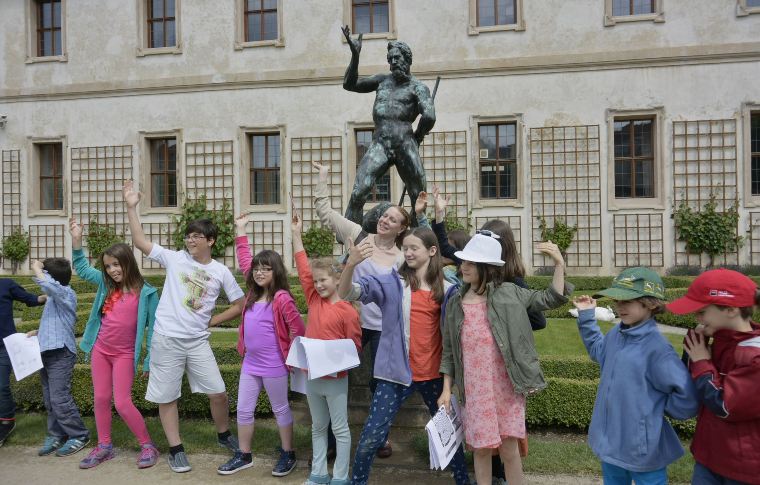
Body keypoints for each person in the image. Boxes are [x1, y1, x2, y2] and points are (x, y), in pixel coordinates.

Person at [123, 180, 246, 473]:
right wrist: (131, 208)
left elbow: (240, 305)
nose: (190, 241)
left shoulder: (220, 271)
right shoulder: (175, 258)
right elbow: (140, 242)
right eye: (188, 236)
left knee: (218, 393)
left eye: (196, 237)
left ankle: (224, 435)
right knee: (167, 396)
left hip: (197, 341)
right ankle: (176, 449)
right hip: (166, 339)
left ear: (211, 240)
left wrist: (211, 321)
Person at [339, 226, 471, 485]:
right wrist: (351, 265)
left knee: (448, 437)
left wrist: (447, 384)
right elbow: (347, 292)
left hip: (434, 377)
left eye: (414, 248)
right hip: (395, 376)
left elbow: (452, 342)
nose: (407, 253)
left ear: (432, 251)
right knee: (370, 437)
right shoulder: (391, 282)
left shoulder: (447, 290)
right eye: (405, 248)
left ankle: (464, 481)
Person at [438, 235, 572, 485]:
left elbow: (550, 298)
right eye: (463, 262)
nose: (463, 267)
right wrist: (447, 390)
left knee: (510, 450)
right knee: (480, 449)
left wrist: (559, 265)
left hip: (507, 388)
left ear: (487, 268)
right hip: (475, 391)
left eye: (470, 263)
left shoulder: (511, 293)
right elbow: (449, 351)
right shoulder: (457, 302)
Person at [313, 159, 408, 457]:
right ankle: (329, 442)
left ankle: (380, 437)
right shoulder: (358, 235)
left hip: (384, 329)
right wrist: (324, 176)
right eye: (384, 215)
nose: (385, 220)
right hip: (351, 319)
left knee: (380, 383)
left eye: (393, 219)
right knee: (334, 374)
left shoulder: (403, 257)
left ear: (402, 228)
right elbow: (326, 214)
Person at [572, 267, 700, 485]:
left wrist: (654, 411)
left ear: (651, 303)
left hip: (642, 449)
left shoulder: (658, 349)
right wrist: (586, 316)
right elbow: (598, 351)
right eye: (616, 301)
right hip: (611, 442)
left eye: (627, 301)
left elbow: (687, 399)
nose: (619, 306)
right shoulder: (618, 332)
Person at [217, 214, 306, 477]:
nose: (259, 272)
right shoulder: (253, 296)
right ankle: (244, 454)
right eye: (257, 269)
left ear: (275, 271)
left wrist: (289, 353)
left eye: (265, 269)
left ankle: (288, 454)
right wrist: (241, 230)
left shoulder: (281, 298)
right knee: (244, 409)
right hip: (251, 363)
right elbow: (245, 260)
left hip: (274, 364)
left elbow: (298, 329)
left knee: (280, 409)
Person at [68, 217, 160, 469]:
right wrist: (77, 239)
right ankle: (105, 446)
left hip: (124, 355)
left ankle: (147, 445)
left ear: (128, 262)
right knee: (100, 398)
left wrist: (148, 361)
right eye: (107, 266)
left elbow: (155, 331)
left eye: (116, 265)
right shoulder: (106, 284)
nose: (111, 271)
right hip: (101, 350)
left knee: (121, 402)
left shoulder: (147, 292)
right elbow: (83, 268)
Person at [667, 268, 760, 485]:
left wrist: (702, 362)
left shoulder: (754, 354)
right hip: (710, 458)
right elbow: (692, 384)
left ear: (730, 310)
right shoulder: (718, 343)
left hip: (743, 468)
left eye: (701, 310)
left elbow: (725, 405)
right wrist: (695, 350)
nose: (696, 316)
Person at [291, 211, 362, 485]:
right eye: (317, 281)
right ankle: (319, 473)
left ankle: (341, 477)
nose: (319, 284)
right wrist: (296, 233)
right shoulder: (313, 300)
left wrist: (335, 355)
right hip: (313, 377)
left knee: (341, 429)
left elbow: (354, 346)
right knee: (318, 427)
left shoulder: (347, 310)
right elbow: (302, 269)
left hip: (335, 379)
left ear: (337, 279)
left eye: (325, 280)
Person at [340, 26, 436, 227]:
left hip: (405, 144)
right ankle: (354, 244)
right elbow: (349, 85)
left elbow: (429, 115)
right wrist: (355, 55)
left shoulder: (418, 88)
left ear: (407, 60)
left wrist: (417, 135)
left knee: (419, 198)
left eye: (397, 58)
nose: (393, 62)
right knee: (358, 192)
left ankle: (416, 243)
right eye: (390, 59)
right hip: (380, 145)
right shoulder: (382, 81)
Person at [27, 257, 90, 457]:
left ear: (51, 278)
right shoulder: (55, 298)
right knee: (50, 399)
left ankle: (79, 435)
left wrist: (39, 269)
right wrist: (39, 331)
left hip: (61, 354)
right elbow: (56, 322)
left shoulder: (66, 293)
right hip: (47, 353)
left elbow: (49, 286)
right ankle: (58, 434)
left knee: (60, 398)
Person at [0, 278, 45, 447]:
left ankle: (6, 421)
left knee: (2, 386)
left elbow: (29, 299)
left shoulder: (6, 285)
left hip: (3, 346)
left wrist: (47, 296)